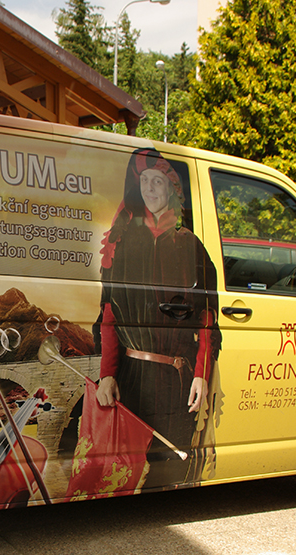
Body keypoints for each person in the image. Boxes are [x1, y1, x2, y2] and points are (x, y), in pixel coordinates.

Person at [94, 149, 221, 488]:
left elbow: (207, 319)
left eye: (158, 182)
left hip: (175, 379)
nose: (150, 188)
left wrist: (200, 374)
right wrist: (107, 374)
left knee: (170, 466)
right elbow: (110, 314)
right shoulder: (122, 243)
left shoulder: (190, 245)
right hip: (132, 377)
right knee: (125, 468)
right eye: (145, 181)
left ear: (172, 189)